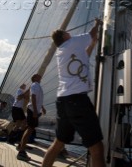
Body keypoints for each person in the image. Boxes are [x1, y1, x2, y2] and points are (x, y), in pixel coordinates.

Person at [42, 18, 106, 167]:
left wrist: (93, 43)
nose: (69, 33)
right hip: (77, 101)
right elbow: (91, 33)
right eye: (67, 32)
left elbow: (84, 55)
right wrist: (97, 24)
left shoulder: (64, 50)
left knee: (58, 143)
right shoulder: (72, 42)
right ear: (64, 36)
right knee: (97, 148)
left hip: (63, 101)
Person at [17, 74, 46, 162]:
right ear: (34, 78)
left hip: (34, 110)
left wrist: (42, 108)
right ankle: (21, 152)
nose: (40, 77)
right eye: (38, 76)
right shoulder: (34, 85)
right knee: (30, 129)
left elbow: (38, 99)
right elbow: (33, 97)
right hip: (33, 110)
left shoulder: (37, 86)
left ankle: (20, 145)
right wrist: (35, 111)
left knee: (29, 128)